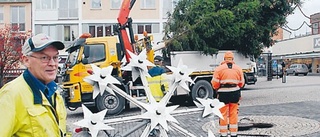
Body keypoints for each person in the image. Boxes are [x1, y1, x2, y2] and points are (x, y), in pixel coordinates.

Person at [0, 33, 67, 136]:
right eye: (44, 58)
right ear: (26, 60)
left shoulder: (55, 92)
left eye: (56, 57)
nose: (52, 64)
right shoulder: (11, 95)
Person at [211, 51, 244, 137]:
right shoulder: (238, 68)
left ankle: (223, 134)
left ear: (224, 59)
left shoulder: (219, 69)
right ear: (232, 59)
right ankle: (234, 134)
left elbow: (215, 84)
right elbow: (241, 83)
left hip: (223, 94)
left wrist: (218, 88)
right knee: (233, 114)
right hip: (235, 93)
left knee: (223, 114)